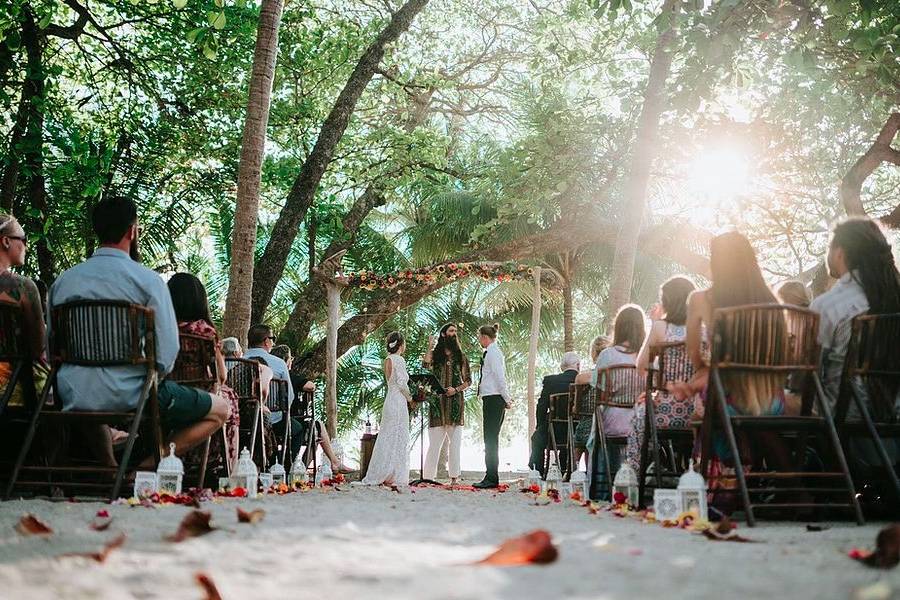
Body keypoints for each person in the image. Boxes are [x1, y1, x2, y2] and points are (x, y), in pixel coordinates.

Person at [49, 196, 228, 466]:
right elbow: (167, 352)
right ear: (133, 231)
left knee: (90, 395)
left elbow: (52, 343)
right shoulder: (148, 281)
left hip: (74, 392)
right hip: (132, 395)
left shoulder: (64, 281)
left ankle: (111, 473)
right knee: (221, 410)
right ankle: (142, 468)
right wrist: (149, 378)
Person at [683, 231, 797, 501]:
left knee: (710, 406)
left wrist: (705, 369)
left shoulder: (702, 299)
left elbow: (693, 354)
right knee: (757, 420)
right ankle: (791, 488)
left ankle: (730, 487)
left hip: (727, 400)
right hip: (772, 401)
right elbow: (783, 357)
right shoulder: (772, 302)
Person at [810, 217, 900, 466]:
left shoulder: (828, 306)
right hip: (892, 419)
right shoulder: (893, 301)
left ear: (840, 253)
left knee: (765, 403)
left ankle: (799, 489)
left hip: (844, 420)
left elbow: (808, 374)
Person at [166, 272, 241, 474]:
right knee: (229, 397)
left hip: (167, 395)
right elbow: (222, 375)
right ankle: (224, 466)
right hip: (200, 396)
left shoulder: (163, 328)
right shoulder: (204, 331)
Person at [624, 276, 696, 470]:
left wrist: (658, 385)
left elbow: (640, 365)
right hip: (697, 411)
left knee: (639, 413)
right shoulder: (702, 329)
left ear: (667, 302)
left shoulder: (660, 328)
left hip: (665, 412)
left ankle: (634, 470)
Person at [587, 304, 646, 491]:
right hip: (642, 419)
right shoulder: (648, 355)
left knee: (601, 417)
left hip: (613, 420)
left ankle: (603, 487)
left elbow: (597, 387)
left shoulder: (607, 355)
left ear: (619, 327)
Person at [269, 344, 350, 473]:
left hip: (269, 418)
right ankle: (302, 466)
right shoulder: (289, 377)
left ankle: (330, 462)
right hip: (289, 420)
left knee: (316, 427)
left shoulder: (267, 374)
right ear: (285, 360)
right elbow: (310, 386)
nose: (292, 360)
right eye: (290, 358)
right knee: (316, 428)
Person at [0, 213, 48, 409]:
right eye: (23, 239)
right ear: (5, 241)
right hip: (11, 385)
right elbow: (38, 348)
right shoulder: (23, 287)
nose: (26, 246)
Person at [360, 331, 413, 488]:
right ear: (401, 345)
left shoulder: (387, 360)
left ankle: (382, 471)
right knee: (399, 437)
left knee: (386, 436)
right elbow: (402, 384)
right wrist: (411, 399)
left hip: (389, 400)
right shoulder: (399, 360)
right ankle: (395, 474)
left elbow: (392, 382)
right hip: (399, 402)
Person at [422, 323, 472, 485]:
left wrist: (456, 389)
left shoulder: (461, 357)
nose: (454, 333)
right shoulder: (436, 356)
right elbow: (425, 365)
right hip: (437, 406)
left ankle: (454, 478)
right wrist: (430, 345)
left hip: (455, 406)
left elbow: (468, 381)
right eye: (451, 331)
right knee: (434, 444)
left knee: (455, 444)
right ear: (443, 334)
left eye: (455, 331)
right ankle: (428, 477)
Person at [529, 352, 580, 472]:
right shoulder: (583, 382)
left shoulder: (550, 381)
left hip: (553, 431)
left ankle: (539, 472)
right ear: (578, 366)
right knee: (569, 437)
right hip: (576, 431)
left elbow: (541, 407)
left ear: (562, 367)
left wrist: (540, 426)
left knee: (537, 438)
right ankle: (565, 469)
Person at [475, 323, 511, 489]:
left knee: (490, 439)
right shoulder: (491, 352)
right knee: (490, 438)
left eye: (479, 337)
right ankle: (490, 475)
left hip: (494, 398)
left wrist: (506, 398)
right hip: (492, 397)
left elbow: (499, 376)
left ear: (484, 337)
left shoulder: (493, 353)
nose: (478, 340)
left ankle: (491, 477)